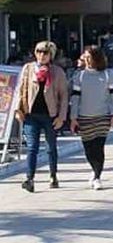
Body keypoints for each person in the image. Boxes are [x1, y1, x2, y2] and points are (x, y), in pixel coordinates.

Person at [14, 41, 69, 192]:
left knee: (51, 147)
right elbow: (21, 89)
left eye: (45, 52)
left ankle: (53, 175)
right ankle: (29, 178)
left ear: (51, 55)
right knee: (32, 147)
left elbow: (64, 96)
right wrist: (18, 109)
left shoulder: (57, 72)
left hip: (50, 115)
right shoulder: (28, 68)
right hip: (31, 115)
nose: (41, 55)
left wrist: (61, 117)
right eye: (38, 51)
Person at [70, 45, 113, 189]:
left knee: (99, 147)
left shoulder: (108, 74)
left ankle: (97, 176)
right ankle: (94, 169)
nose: (86, 60)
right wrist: (73, 118)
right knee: (89, 149)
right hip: (84, 117)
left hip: (102, 116)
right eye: (85, 57)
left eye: (89, 57)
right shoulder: (80, 75)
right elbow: (75, 98)